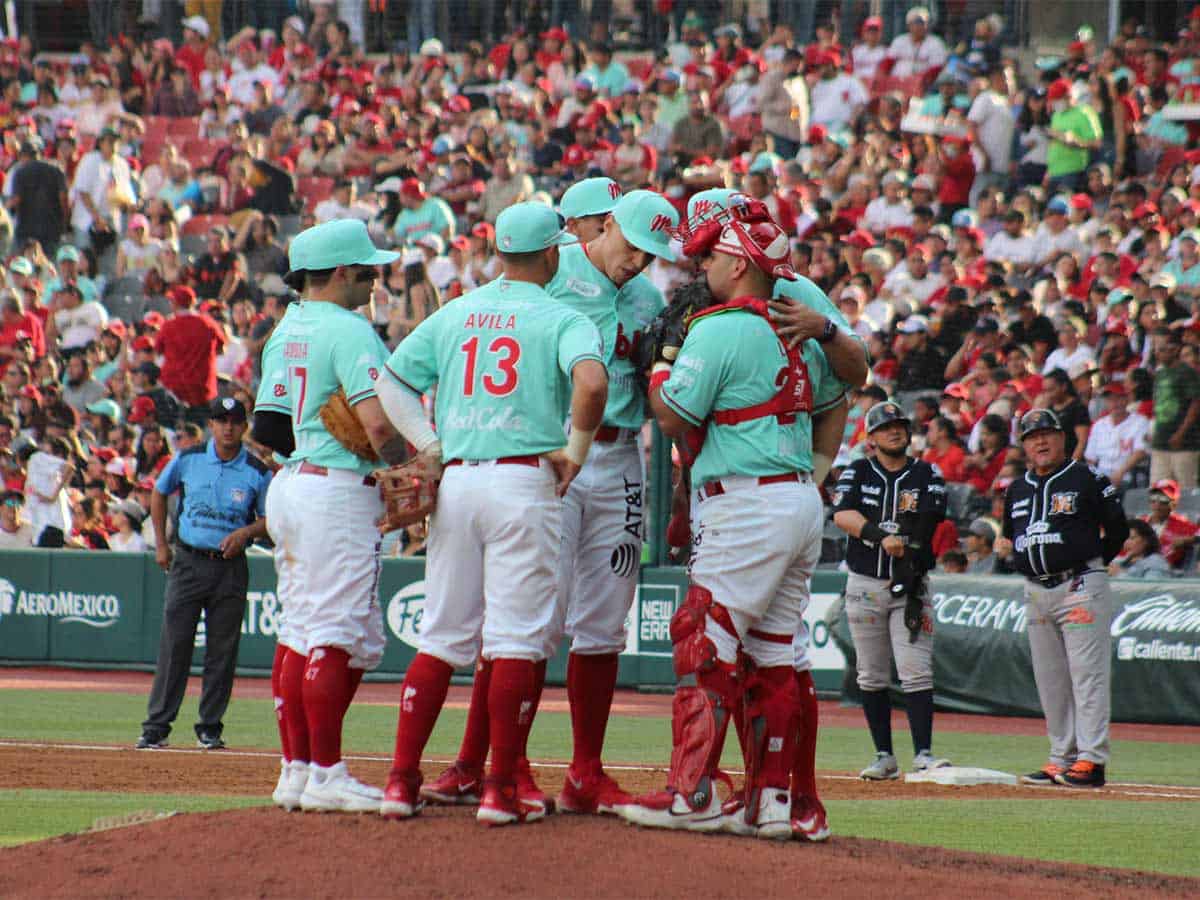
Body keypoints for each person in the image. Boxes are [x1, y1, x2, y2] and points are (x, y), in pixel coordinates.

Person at [420, 188, 675, 818]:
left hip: (620, 457)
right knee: (528, 620)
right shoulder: (553, 277)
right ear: (608, 225)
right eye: (637, 248)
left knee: (604, 622)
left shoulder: (649, 298)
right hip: (551, 455)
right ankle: (501, 767)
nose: (641, 263)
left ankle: (585, 772)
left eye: (653, 255)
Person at [375, 202, 608, 827]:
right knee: (513, 640)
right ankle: (499, 790)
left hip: (458, 480)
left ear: (500, 252)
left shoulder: (455, 311)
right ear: (553, 254)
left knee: (442, 637)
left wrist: (429, 445)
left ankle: (400, 783)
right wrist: (578, 454)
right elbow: (591, 385)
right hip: (521, 479)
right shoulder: (563, 315)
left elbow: (390, 382)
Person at [620, 205, 824, 840]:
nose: (702, 265)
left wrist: (658, 366)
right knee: (773, 658)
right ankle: (770, 804)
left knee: (704, 643)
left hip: (745, 502)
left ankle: (693, 794)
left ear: (739, 263)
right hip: (797, 497)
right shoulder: (800, 328)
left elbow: (675, 416)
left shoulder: (719, 327)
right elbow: (847, 381)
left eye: (712, 257)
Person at [251, 219, 407, 814]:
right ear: (341, 272)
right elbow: (376, 424)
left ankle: (295, 771)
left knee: (299, 630)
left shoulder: (283, 328)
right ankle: (327, 773)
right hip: (337, 489)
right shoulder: (350, 330)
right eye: (368, 270)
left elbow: (265, 429)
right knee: (335, 632)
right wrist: (407, 462)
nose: (374, 279)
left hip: (290, 484)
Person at [995, 409, 1128, 788]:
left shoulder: (1086, 477)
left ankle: (1091, 760)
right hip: (1035, 588)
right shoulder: (1017, 489)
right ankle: (1061, 757)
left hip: (1079, 584)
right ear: (1023, 445)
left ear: (1063, 438)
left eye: (1048, 434)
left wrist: (1093, 562)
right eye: (1032, 436)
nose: (1040, 441)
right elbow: (1010, 534)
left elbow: (1117, 527)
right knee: (1050, 679)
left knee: (1087, 675)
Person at [137, 398, 272, 752]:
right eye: (220, 420)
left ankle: (209, 726)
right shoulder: (188, 457)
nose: (228, 427)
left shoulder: (257, 470)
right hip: (189, 560)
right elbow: (159, 492)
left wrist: (246, 533)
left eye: (234, 421)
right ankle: (156, 726)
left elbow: (272, 518)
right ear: (211, 424)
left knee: (222, 652)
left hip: (230, 566)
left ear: (244, 427)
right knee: (175, 645)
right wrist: (162, 544)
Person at [831, 401, 950, 781]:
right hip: (865, 583)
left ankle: (924, 754)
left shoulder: (927, 473)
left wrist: (904, 547)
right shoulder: (858, 470)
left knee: (915, 671)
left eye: (900, 425)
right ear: (871, 437)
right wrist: (881, 537)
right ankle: (884, 755)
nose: (895, 431)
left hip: (911, 583)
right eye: (886, 427)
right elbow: (842, 515)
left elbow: (930, 520)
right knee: (871, 674)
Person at [1150, 329, 1200, 489]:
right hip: (1160, 442)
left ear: (1175, 349)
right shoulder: (1160, 373)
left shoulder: (1186, 372)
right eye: (1157, 349)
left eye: (1163, 349)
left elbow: (1195, 404)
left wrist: (1181, 433)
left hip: (1184, 444)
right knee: (1158, 490)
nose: (1158, 353)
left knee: (1186, 491)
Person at [1141, 479, 1199, 571]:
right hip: (1133, 568)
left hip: (1161, 572)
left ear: (1174, 504)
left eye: (1163, 499)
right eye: (1153, 498)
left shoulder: (1183, 525)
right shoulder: (1140, 523)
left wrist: (1188, 539)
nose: (1157, 504)